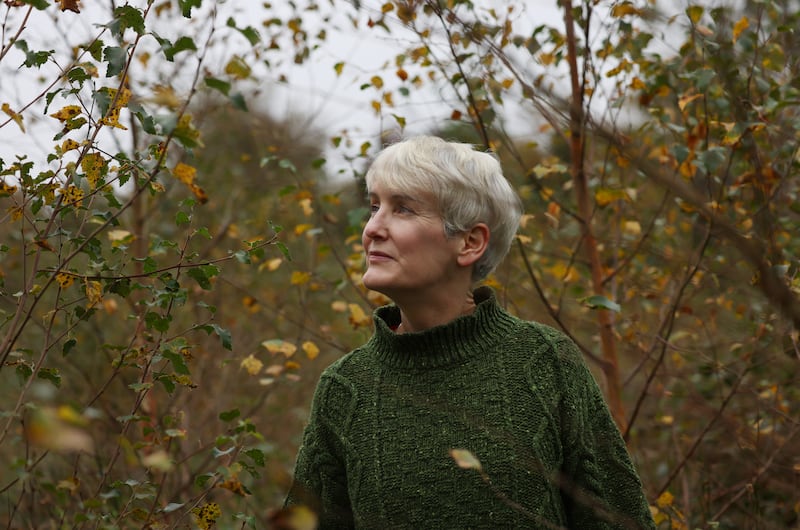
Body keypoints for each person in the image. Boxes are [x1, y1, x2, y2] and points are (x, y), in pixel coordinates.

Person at [284, 135, 656, 529]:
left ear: (470, 242)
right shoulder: (346, 388)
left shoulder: (545, 362)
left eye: (404, 209)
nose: (373, 228)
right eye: (374, 207)